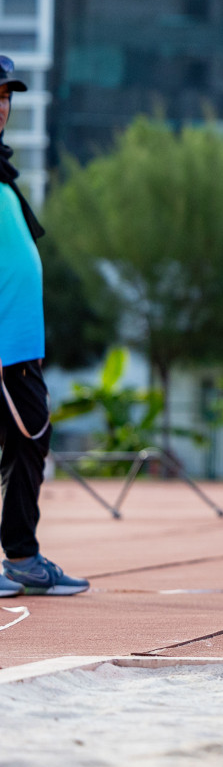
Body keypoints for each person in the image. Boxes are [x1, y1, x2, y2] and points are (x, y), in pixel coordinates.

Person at [0, 57, 89, 597]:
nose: (2, 107)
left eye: (6, 97)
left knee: (27, 443)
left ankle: (22, 557)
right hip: (3, 348)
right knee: (28, 440)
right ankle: (22, 556)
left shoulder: (2, 176)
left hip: (20, 347)